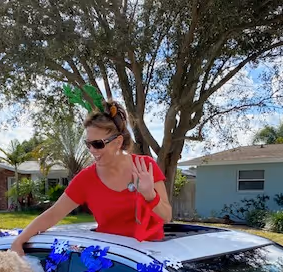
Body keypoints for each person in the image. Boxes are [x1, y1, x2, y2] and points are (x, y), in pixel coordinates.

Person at [11, 100, 172, 256]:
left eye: (98, 144)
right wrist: (19, 241)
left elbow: (166, 217)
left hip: (151, 262)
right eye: (88, 144)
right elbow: (54, 214)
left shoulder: (145, 167)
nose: (92, 150)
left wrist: (149, 195)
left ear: (118, 142)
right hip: (113, 261)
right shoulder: (86, 179)